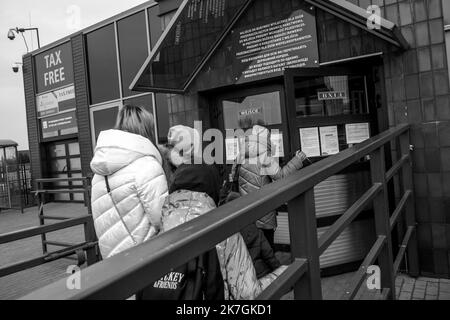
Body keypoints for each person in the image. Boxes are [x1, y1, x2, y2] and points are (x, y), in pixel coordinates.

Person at [158, 125, 287, 300]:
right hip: (258, 213)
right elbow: (248, 293)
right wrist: (283, 274)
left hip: (245, 209)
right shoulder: (226, 235)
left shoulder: (158, 236)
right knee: (265, 249)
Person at [90, 105, 168, 259]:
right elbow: (162, 218)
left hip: (112, 259)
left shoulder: (98, 174)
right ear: (146, 130)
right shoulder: (147, 166)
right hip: (144, 256)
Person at [235, 120, 307, 248]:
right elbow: (281, 176)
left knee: (254, 252)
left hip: (246, 214)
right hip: (263, 214)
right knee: (267, 250)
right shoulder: (263, 157)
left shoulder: (240, 156)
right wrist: (297, 160)